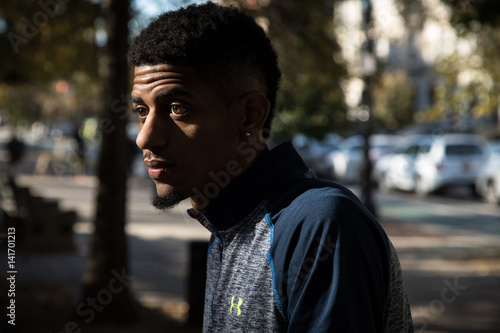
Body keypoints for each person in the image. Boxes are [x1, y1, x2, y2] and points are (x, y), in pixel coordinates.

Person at [127, 3, 413, 332]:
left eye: (177, 108)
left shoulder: (319, 225)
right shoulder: (228, 226)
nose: (145, 137)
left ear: (249, 115)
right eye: (140, 110)